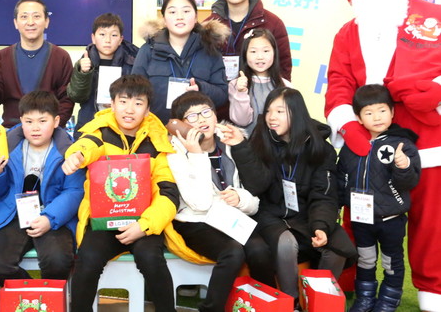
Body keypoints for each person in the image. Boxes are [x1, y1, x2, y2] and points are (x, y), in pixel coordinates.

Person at [325, 0, 441, 311]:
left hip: (427, 138)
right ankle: (351, 282)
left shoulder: (434, 17)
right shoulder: (347, 33)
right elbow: (338, 82)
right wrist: (349, 126)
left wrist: (436, 92)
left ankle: (432, 288)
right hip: (368, 141)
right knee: (359, 215)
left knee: (430, 219)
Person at [223, 87, 357, 310]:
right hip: (269, 214)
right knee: (286, 243)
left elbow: (324, 195)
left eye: (280, 111)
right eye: (268, 111)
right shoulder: (260, 141)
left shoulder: (320, 149)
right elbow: (256, 186)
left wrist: (321, 226)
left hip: (306, 215)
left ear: (296, 113)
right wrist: (241, 148)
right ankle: (291, 302)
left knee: (336, 246)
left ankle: (317, 301)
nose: (271, 117)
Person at [62, 74, 180, 312]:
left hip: (143, 223)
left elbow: (168, 194)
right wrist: (76, 156)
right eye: (123, 101)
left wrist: (144, 226)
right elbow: (88, 146)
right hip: (104, 222)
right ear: (112, 104)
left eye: (138, 103)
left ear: (147, 109)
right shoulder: (100, 131)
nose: (129, 109)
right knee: (87, 259)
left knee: (151, 259)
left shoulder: (159, 144)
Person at [164, 91, 275, 312]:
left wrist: (240, 198)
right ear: (181, 125)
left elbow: (254, 196)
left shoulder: (229, 142)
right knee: (232, 252)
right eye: (192, 116)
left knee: (259, 250)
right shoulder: (175, 152)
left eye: (206, 112)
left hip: (230, 217)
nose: (201, 119)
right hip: (194, 221)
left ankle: (267, 306)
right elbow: (201, 203)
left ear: (216, 115)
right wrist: (196, 154)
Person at [0, 90, 85, 287]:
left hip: (54, 217)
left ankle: (44, 297)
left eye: (42, 121)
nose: (35, 128)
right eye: (29, 121)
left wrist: (50, 218)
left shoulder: (69, 150)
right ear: (21, 121)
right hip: (13, 215)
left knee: (58, 261)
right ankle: (37, 297)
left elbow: (74, 191)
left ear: (56, 121)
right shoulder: (7, 146)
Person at [337, 84, 421, 312]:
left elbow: (409, 182)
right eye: (369, 112)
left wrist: (403, 165)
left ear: (392, 112)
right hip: (361, 219)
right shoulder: (351, 146)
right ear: (358, 118)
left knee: (391, 261)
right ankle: (365, 298)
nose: (376, 117)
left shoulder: (402, 144)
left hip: (391, 219)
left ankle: (388, 300)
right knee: (365, 259)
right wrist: (337, 204)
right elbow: (341, 178)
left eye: (382, 110)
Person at [132, 0, 229, 124]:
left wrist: (201, 88)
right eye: (172, 12)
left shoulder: (210, 50)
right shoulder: (149, 50)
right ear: (164, 19)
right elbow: (135, 92)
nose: (179, 17)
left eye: (186, 11)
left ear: (195, 17)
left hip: (197, 130)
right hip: (156, 129)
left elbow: (222, 95)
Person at [0, 0, 74, 128]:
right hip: (12, 129)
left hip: (49, 131)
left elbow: (67, 100)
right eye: (24, 17)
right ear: (16, 23)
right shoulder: (2, 57)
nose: (30, 22)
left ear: (46, 22)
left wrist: (53, 128)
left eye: (36, 16)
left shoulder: (61, 57)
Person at [204, 0, 292, 82]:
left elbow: (283, 66)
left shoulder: (272, 23)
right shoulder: (209, 26)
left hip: (261, 92)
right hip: (219, 93)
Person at [67, 12, 139, 136]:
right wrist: (83, 73)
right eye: (102, 34)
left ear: (120, 39)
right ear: (93, 38)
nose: (107, 40)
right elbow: (76, 97)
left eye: (114, 35)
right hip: (90, 123)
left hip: (122, 126)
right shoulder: (85, 61)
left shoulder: (132, 62)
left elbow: (139, 97)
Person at [229, 28, 291, 136]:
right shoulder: (236, 84)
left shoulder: (286, 86)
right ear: (245, 54)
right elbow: (241, 121)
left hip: (277, 144)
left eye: (266, 51)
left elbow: (290, 122)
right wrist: (241, 92)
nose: (260, 57)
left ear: (274, 53)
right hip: (246, 143)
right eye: (253, 52)